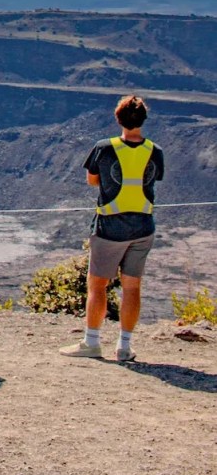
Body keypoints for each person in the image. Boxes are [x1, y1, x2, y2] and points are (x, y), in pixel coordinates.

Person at [61, 95, 163, 363]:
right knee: (132, 287)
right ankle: (124, 347)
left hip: (109, 227)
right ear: (143, 119)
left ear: (117, 118)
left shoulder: (103, 148)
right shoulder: (155, 151)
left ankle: (92, 342)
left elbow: (92, 180)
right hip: (143, 226)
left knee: (97, 284)